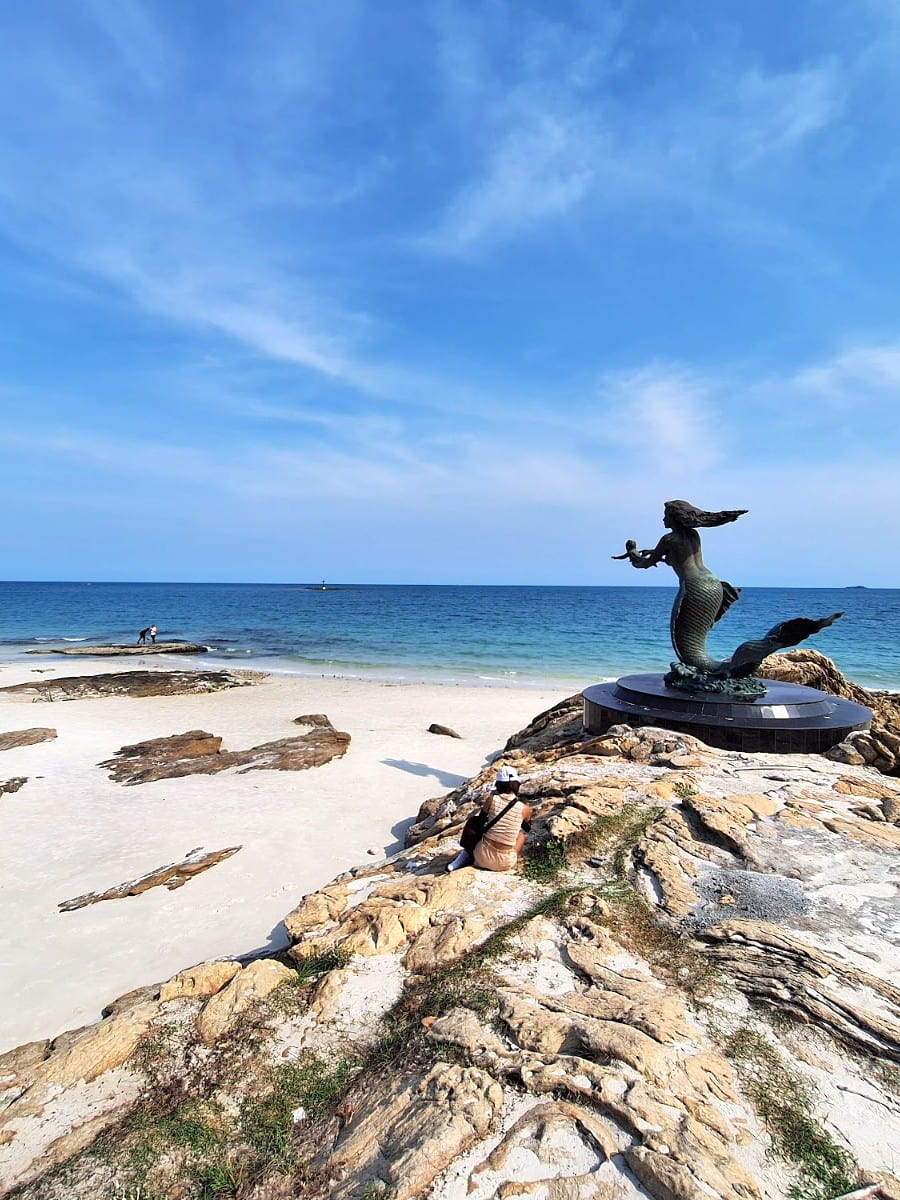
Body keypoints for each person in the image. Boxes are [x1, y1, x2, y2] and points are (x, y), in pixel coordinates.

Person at [446, 765, 533, 873]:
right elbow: (527, 827)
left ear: (499, 784)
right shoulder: (525, 809)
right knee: (521, 836)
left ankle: (461, 859)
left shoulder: (492, 799)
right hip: (504, 863)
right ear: (516, 784)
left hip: (482, 857)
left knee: (474, 823)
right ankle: (507, 856)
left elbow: (480, 820)